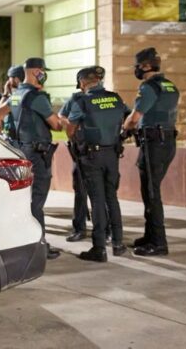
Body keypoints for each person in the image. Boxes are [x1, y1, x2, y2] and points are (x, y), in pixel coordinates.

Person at [66, 67, 130, 262]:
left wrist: (77, 137)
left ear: (83, 83)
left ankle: (99, 248)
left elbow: (70, 128)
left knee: (97, 200)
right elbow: (129, 118)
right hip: (112, 154)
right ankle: (118, 243)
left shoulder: (82, 101)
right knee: (112, 198)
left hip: (92, 156)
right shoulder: (115, 98)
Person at [123, 47, 180, 256]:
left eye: (137, 66)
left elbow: (135, 117)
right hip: (168, 142)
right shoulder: (170, 85)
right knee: (151, 190)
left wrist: (124, 129)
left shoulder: (148, 87)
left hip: (154, 144)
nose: (136, 70)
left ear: (146, 66)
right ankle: (149, 236)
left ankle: (159, 243)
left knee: (152, 194)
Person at [9, 57, 64, 260]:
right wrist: (63, 118)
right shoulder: (36, 97)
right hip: (37, 154)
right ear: (35, 72)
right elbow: (57, 125)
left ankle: (22, 243)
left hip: (22, 151)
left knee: (25, 200)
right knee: (36, 201)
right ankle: (38, 246)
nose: (44, 74)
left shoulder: (16, 95)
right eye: (42, 70)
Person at [58, 66, 105, 243]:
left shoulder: (101, 97)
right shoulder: (77, 98)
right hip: (85, 149)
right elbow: (62, 115)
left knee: (92, 190)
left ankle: (95, 229)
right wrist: (70, 123)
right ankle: (83, 227)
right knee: (83, 188)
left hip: (93, 149)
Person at [0, 65, 24, 138]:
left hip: (13, 137)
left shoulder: (17, 96)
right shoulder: (23, 93)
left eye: (10, 78)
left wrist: (5, 93)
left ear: (16, 79)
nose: (8, 81)